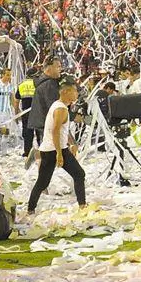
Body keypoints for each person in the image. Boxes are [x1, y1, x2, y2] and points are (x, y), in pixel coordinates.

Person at [27, 81, 86, 213]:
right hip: (54, 149)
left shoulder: (59, 106)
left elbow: (63, 131)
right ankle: (82, 206)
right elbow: (55, 131)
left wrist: (72, 143)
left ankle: (30, 209)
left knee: (42, 182)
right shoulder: (61, 109)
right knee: (79, 174)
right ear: (65, 92)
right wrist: (59, 153)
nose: (76, 94)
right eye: (74, 91)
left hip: (50, 149)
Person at [25, 57, 61, 167]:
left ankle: (38, 156)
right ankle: (38, 156)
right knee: (51, 148)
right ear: (49, 69)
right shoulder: (49, 84)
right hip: (46, 121)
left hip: (41, 119)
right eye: (58, 66)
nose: (60, 69)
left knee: (49, 147)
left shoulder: (43, 82)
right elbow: (53, 105)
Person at [0, 68, 19, 147]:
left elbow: (12, 99)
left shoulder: (10, 86)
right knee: (3, 131)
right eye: (7, 75)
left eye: (10, 75)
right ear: (2, 75)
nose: (9, 77)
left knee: (6, 132)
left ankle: (2, 149)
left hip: (6, 112)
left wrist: (17, 110)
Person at [17, 69, 37, 158]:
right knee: (39, 132)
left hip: (25, 112)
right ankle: (43, 151)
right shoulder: (37, 84)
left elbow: (17, 100)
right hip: (37, 112)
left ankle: (27, 152)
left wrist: (16, 112)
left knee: (27, 133)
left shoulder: (21, 85)